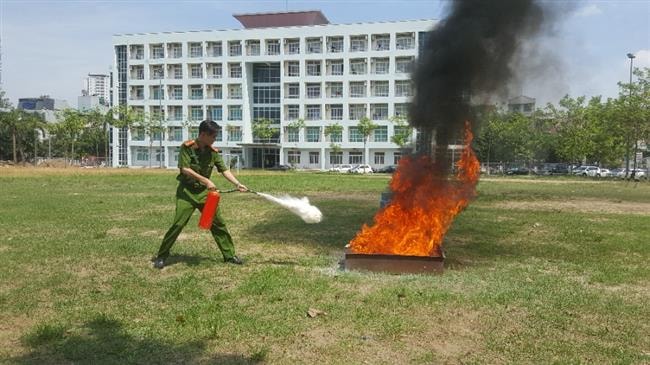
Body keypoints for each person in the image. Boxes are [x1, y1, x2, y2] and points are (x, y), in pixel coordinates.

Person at [153, 119, 248, 269]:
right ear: (203, 134)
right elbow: (185, 169)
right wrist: (206, 181)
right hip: (187, 193)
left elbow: (224, 170)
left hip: (205, 194)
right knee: (178, 223)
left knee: (218, 224)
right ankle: (162, 256)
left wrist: (237, 183)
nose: (214, 139)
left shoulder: (213, 152)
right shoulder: (187, 147)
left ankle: (229, 256)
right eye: (213, 136)